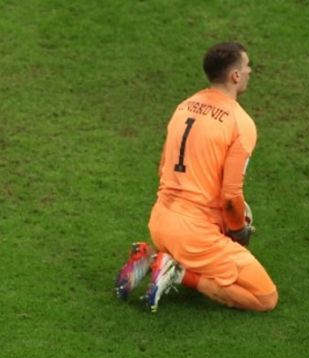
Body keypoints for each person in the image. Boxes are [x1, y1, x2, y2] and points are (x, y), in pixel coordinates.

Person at [115, 41, 277, 312]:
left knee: (199, 245)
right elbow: (230, 197)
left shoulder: (184, 106)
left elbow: (162, 168)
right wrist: (238, 231)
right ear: (235, 75)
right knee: (265, 298)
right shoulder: (240, 122)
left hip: (160, 221)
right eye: (247, 66)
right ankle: (177, 272)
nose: (250, 71)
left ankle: (154, 255)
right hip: (194, 236)